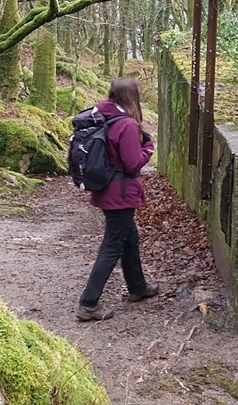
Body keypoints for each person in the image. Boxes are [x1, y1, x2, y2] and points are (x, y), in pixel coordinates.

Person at [76, 77, 159, 321]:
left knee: (130, 238)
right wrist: (149, 148)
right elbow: (133, 162)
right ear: (132, 97)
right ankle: (88, 303)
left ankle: (137, 286)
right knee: (112, 245)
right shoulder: (126, 125)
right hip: (120, 193)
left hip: (107, 189)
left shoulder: (103, 114)